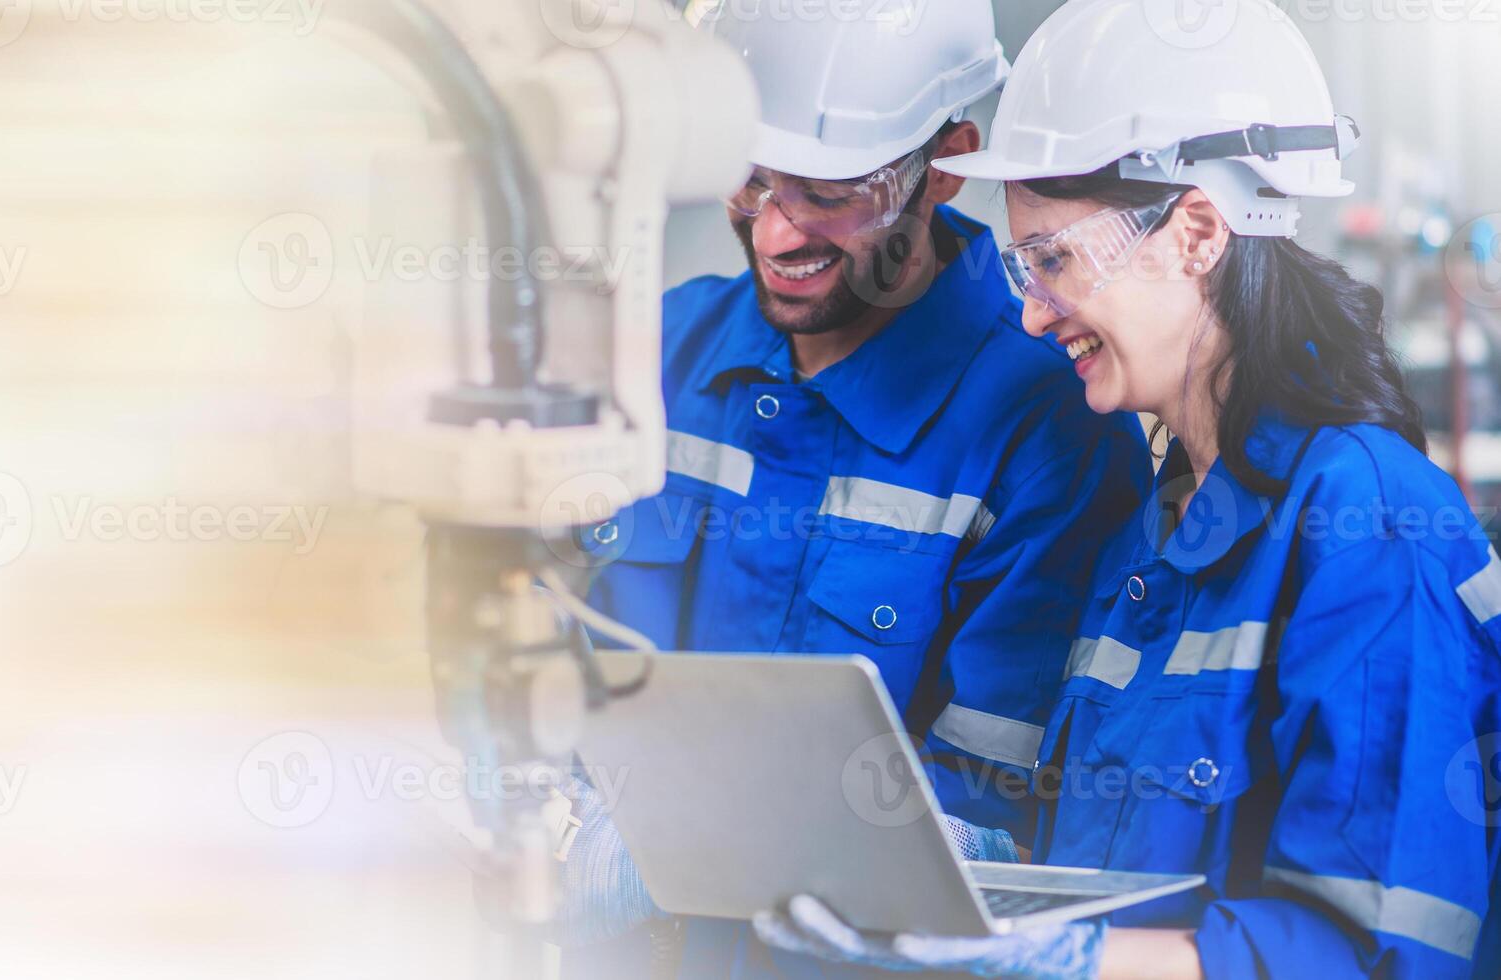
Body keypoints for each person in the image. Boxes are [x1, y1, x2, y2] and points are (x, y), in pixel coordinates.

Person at [750, 1, 1501, 976]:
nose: (1028, 313)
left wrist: (1063, 957)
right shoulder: (1152, 537)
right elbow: (1117, 866)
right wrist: (957, 876)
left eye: (1053, 260)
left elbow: (1373, 952)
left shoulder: (1369, 525)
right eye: (1022, 264)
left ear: (1194, 232)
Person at [545, 1, 1150, 974]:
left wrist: (718, 849)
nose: (776, 231)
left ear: (945, 163)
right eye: (750, 178)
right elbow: (536, 656)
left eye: (829, 190)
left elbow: (1002, 811)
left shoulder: (1052, 430)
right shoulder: (657, 353)